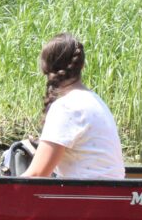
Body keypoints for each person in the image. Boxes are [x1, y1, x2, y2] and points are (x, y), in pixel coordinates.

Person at [21, 33, 125, 179]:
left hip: (87, 197)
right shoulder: (96, 100)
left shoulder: (66, 107)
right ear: (82, 66)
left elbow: (37, 175)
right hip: (106, 194)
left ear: (44, 67)